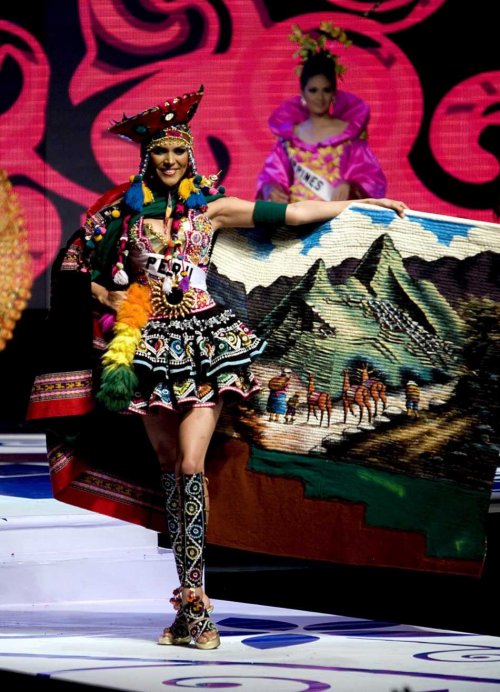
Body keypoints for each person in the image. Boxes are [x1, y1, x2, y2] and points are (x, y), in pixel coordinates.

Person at [27, 85, 406, 651]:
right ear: (147, 158)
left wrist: (360, 207)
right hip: (146, 347)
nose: (170, 160)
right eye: (160, 152)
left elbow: (292, 213)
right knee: (166, 466)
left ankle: (199, 605)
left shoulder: (213, 210)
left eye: (178, 151)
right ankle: (188, 606)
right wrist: (109, 298)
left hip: (204, 345)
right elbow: (78, 268)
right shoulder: (121, 217)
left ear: (191, 155)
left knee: (190, 463)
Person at [256, 23, 387, 203]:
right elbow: (271, 175)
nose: (320, 97)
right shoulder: (290, 138)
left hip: (337, 216)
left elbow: (372, 179)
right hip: (297, 216)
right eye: (313, 90)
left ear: (334, 93)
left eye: (326, 90)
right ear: (302, 93)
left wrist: (350, 185)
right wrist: (270, 187)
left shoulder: (348, 136)